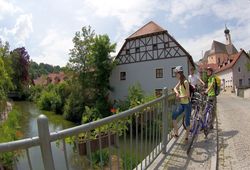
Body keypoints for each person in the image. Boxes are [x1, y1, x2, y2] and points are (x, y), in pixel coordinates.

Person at [172, 66, 191, 143]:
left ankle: (186, 138)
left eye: (176, 73)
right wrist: (177, 93)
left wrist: (180, 96)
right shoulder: (180, 81)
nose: (175, 75)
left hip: (187, 104)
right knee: (174, 116)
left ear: (179, 73)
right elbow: (175, 88)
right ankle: (177, 134)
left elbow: (188, 95)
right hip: (182, 104)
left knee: (187, 121)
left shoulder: (185, 82)